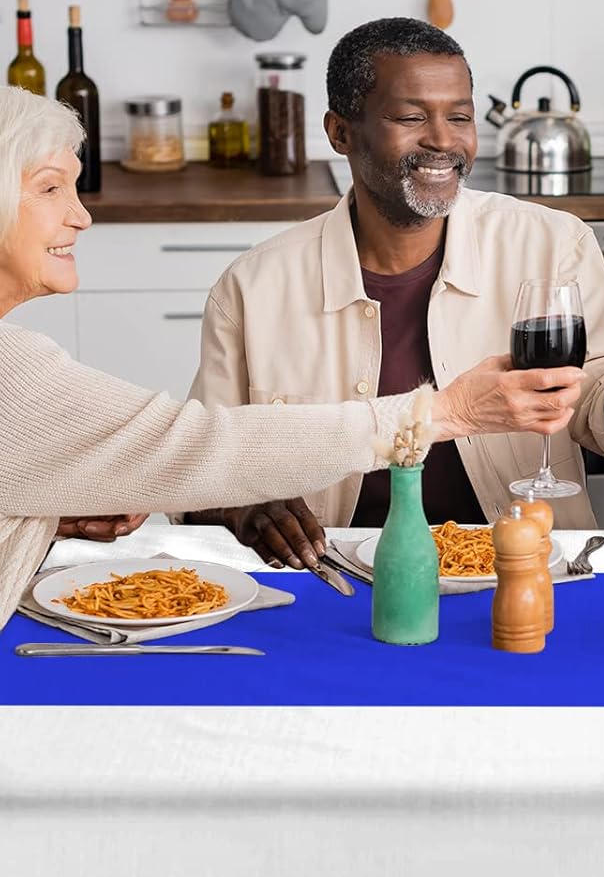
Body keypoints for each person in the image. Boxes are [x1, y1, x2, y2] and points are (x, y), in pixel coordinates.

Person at [186, 18, 604, 566]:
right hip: (331, 582)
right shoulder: (252, 288)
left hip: (523, 570)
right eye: (411, 117)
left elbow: (600, 418)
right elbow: (193, 467)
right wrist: (237, 507)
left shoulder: (553, 244)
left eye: (459, 117)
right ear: (340, 132)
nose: (443, 140)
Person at [0, 87, 530, 629]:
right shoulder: (11, 371)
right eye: (49, 189)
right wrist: (443, 414)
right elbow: (197, 445)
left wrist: (39, 512)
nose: (82, 216)